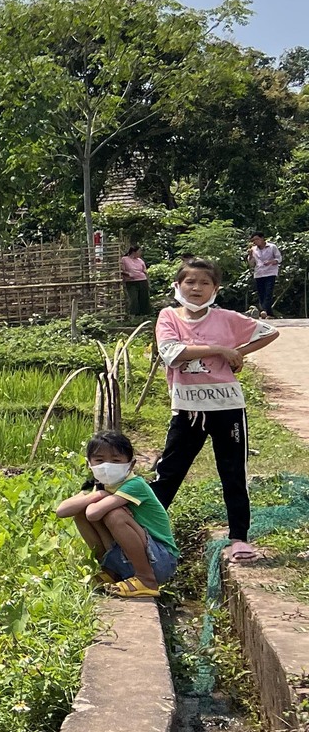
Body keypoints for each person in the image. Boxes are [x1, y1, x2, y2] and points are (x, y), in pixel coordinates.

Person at [152, 256, 280, 564]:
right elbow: (172, 353)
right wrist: (221, 350)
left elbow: (269, 332)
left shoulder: (226, 318)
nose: (196, 288)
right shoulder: (168, 316)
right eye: (190, 282)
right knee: (169, 471)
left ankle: (239, 538)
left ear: (215, 289)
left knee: (233, 472)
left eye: (204, 283)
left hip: (227, 407)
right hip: (187, 409)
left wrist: (238, 353)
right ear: (178, 285)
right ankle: (145, 530)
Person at [54, 430, 177, 601]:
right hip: (130, 559)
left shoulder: (135, 485)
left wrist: (97, 497)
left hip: (160, 560)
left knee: (115, 515)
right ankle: (110, 572)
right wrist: (97, 494)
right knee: (79, 513)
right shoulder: (99, 486)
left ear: (131, 465)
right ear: (89, 464)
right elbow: (61, 511)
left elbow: (93, 513)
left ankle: (146, 579)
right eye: (99, 460)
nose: (107, 466)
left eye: (116, 460)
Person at [249, 232, 283, 318]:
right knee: (261, 293)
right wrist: (250, 255)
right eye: (253, 240)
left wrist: (271, 262)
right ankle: (269, 313)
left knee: (268, 292)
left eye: (257, 239)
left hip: (270, 272)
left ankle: (264, 310)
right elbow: (252, 264)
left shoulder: (272, 247)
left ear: (262, 238)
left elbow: (279, 258)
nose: (255, 242)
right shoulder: (253, 249)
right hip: (259, 273)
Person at [119, 242, 150, 321]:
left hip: (142, 280)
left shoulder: (140, 260)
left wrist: (148, 280)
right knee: (133, 299)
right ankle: (132, 316)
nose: (140, 253)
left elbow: (144, 271)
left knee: (143, 298)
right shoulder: (124, 259)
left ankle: (143, 317)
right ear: (134, 252)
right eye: (139, 251)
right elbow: (121, 270)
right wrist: (128, 274)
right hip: (131, 282)